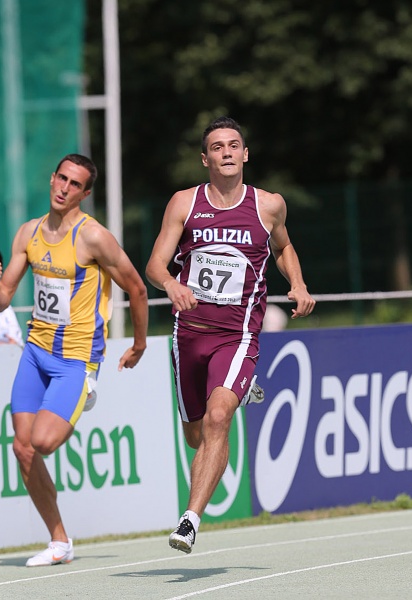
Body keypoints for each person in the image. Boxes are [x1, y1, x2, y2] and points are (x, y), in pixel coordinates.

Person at [145, 116, 315, 554]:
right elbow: (155, 265)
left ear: (245, 154)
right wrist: (171, 284)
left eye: (233, 145)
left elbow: (283, 246)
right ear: (205, 158)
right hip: (189, 335)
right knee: (196, 436)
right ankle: (243, 388)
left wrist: (297, 284)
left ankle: (190, 520)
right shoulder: (184, 203)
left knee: (219, 417)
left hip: (237, 336)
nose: (226, 152)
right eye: (217, 147)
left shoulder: (269, 205)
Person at [0, 153, 148, 567]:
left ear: (85, 194)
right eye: (61, 178)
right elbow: (2, 300)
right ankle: (60, 541)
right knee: (22, 449)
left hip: (76, 360)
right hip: (35, 353)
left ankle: (85, 389)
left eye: (75, 184)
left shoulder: (94, 238)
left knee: (42, 441)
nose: (64, 188)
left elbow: (137, 289)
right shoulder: (29, 232)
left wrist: (139, 344)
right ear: (52, 178)